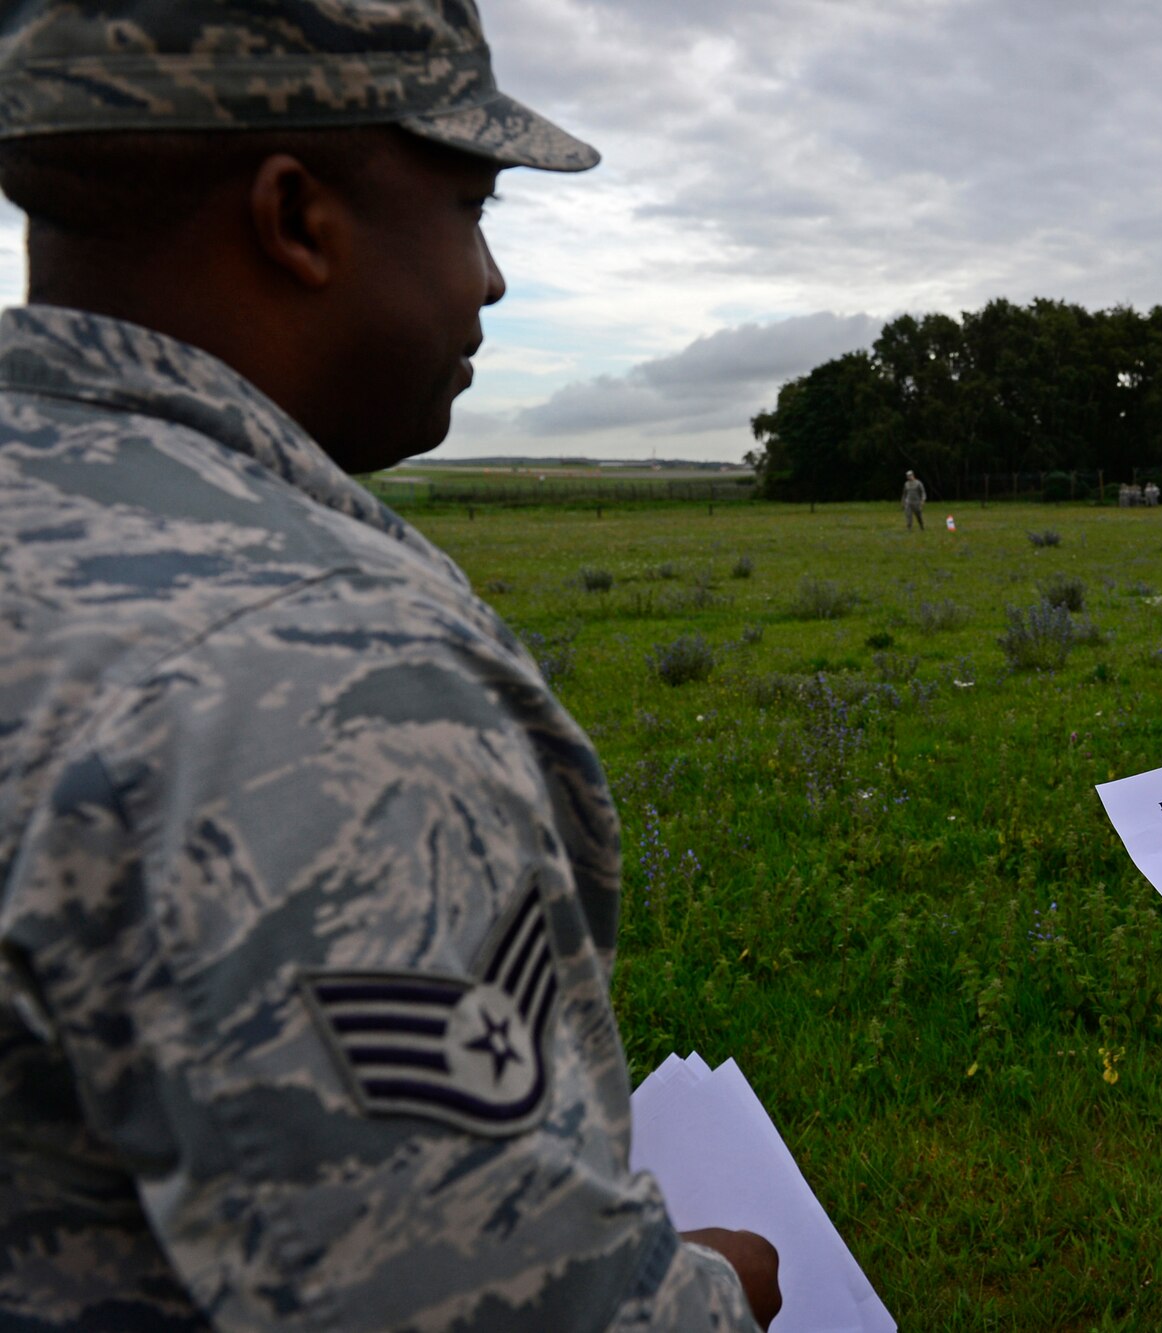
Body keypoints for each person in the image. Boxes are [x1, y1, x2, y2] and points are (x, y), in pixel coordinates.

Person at [0, 3, 780, 1328]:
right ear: (297, 218)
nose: (489, 279)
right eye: (473, 203)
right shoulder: (306, 674)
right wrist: (716, 1291)